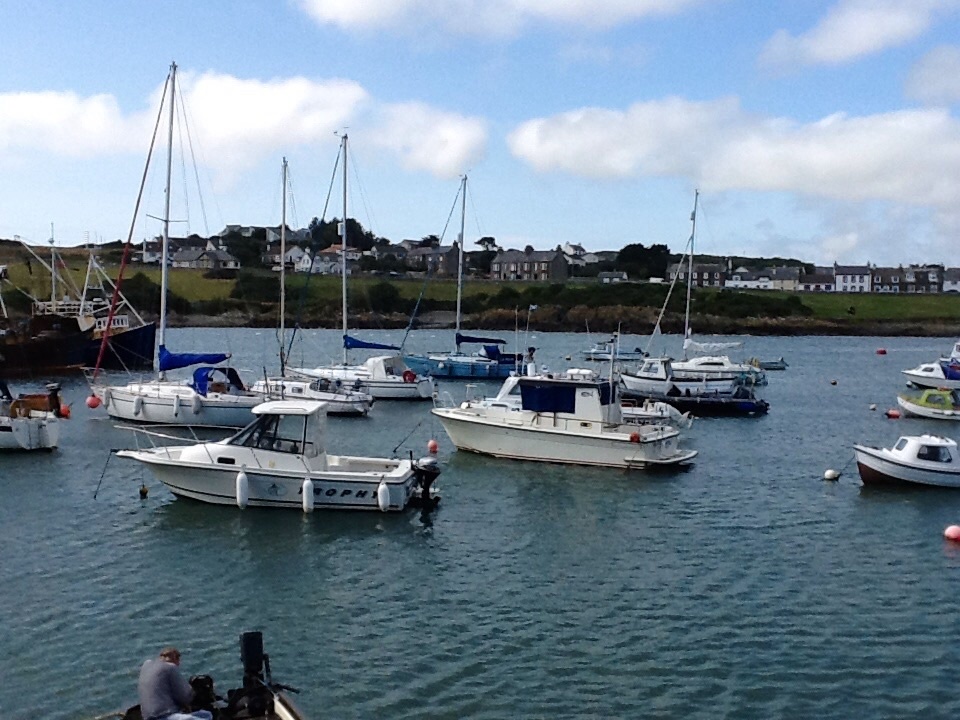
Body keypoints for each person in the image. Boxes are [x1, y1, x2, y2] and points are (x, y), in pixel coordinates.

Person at [137, 647, 212, 720]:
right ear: (175, 658)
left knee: (206, 714)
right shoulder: (170, 667)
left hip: (147, 717)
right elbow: (185, 697)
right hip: (165, 716)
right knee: (207, 717)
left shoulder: (146, 666)